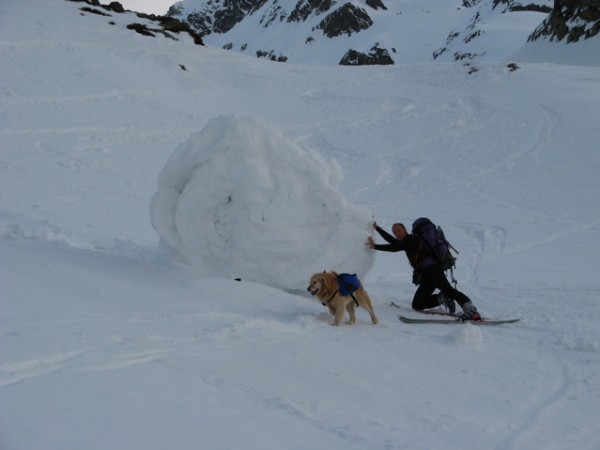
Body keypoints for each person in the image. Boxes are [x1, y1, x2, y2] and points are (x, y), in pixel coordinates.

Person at [367, 222, 481, 321]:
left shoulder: (412, 239)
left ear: (405, 230)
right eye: (395, 232)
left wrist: (375, 246)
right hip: (426, 275)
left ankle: (471, 310)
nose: (397, 233)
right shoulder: (405, 242)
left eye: (399, 230)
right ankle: (442, 298)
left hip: (433, 270)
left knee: (449, 290)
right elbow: (393, 242)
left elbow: (395, 247)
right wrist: (377, 228)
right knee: (417, 304)